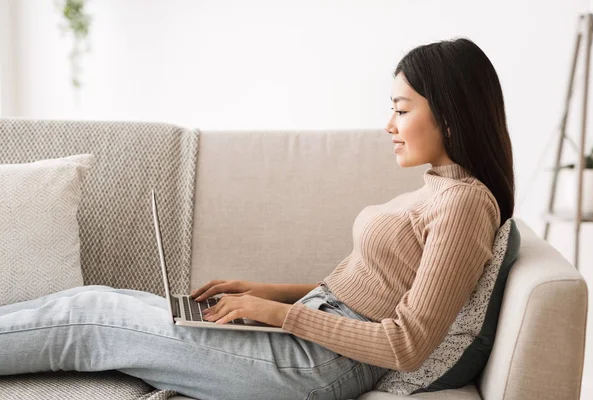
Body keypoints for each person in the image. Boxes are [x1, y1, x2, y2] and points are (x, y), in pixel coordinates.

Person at [0, 37, 514, 400]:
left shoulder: (466, 206)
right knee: (94, 300)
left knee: (90, 324)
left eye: (401, 109)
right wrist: (266, 291)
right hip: (311, 338)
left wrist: (278, 316)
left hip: (314, 367)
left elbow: (404, 344)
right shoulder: (439, 189)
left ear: (448, 113)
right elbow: (367, 288)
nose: (389, 124)